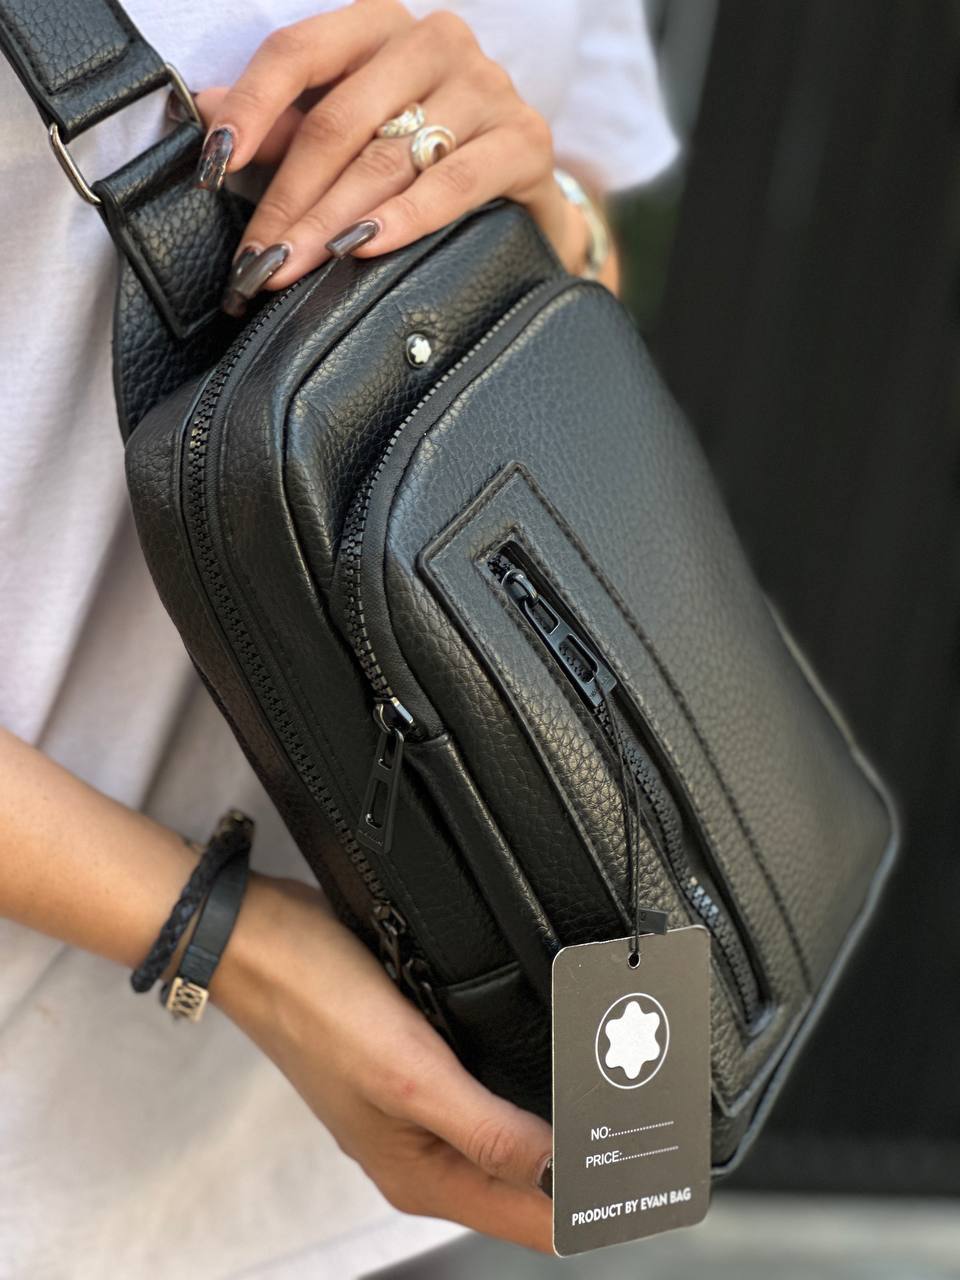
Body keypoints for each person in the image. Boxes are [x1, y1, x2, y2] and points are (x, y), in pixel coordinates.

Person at [0, 2, 677, 1275]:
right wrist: (232, 941)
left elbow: (576, 280)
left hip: (400, 1139)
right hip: (50, 1167)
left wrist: (534, 205)